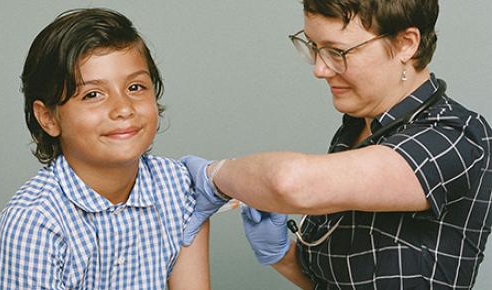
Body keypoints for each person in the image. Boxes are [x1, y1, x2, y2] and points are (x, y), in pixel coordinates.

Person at [181, 0, 492, 289]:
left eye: (337, 52)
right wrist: (282, 255)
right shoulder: (356, 128)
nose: (320, 69)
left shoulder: (456, 137)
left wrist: (215, 175)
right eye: (314, 48)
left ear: (405, 43)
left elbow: (289, 183)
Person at [0, 8, 209, 290]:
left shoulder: (177, 186)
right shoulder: (34, 222)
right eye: (92, 94)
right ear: (48, 117)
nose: (123, 108)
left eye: (135, 87)